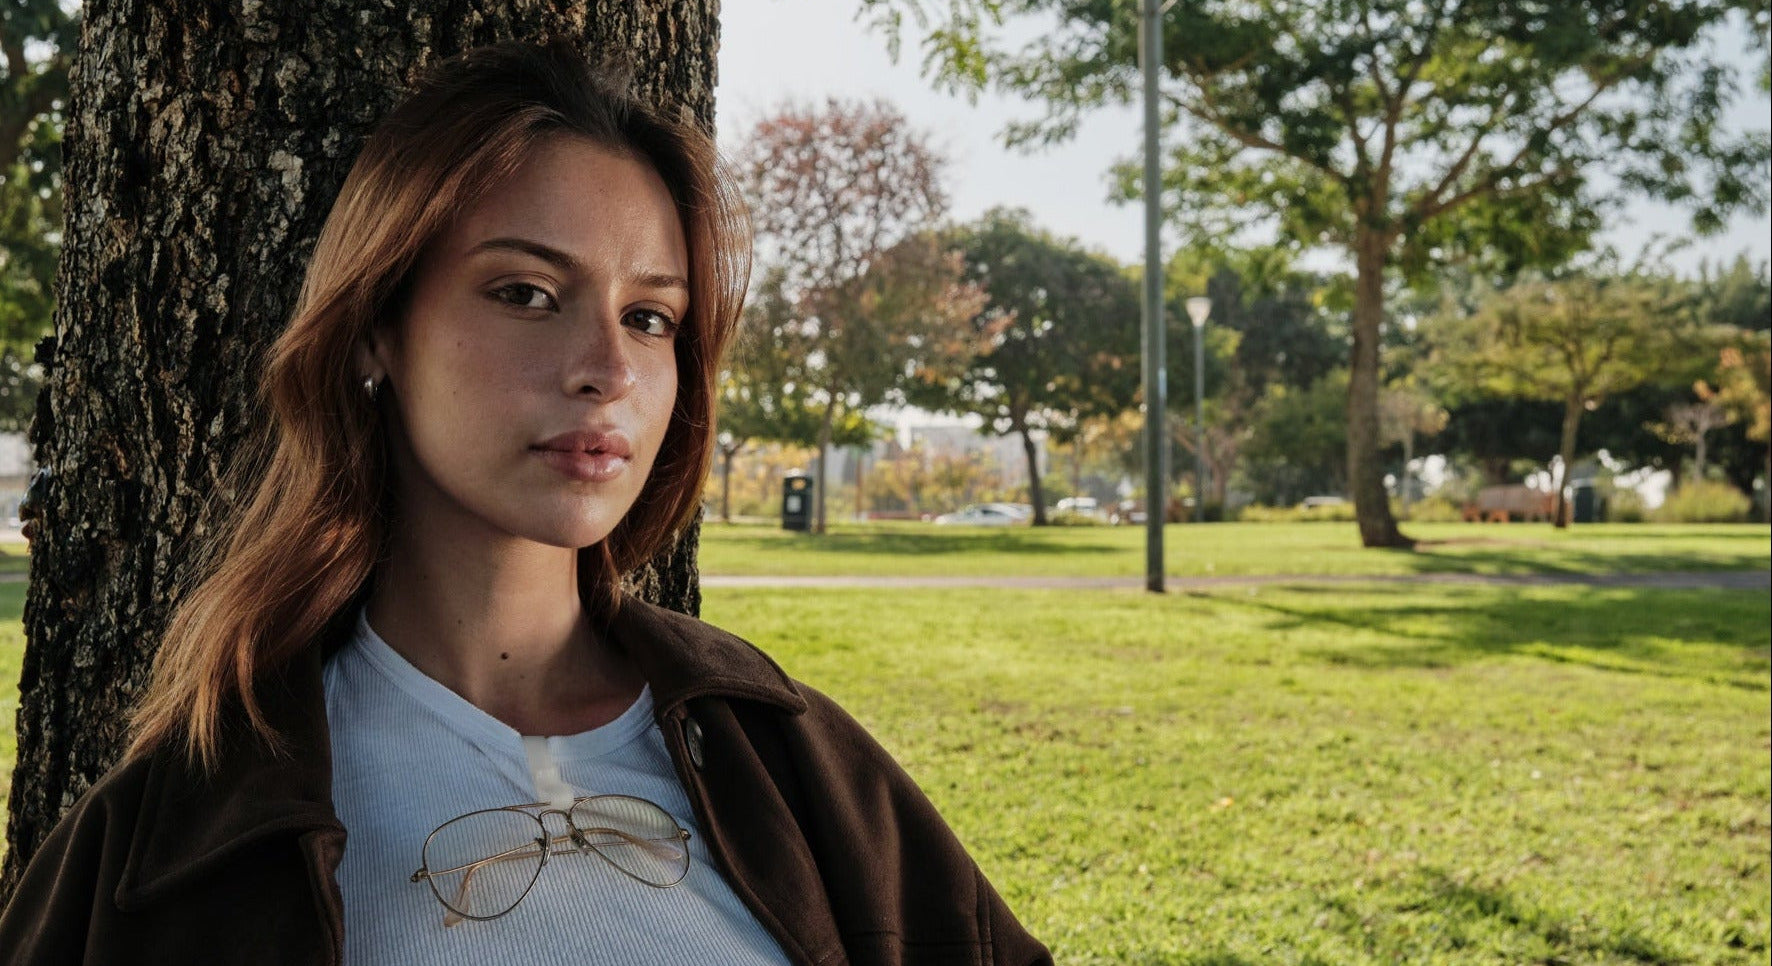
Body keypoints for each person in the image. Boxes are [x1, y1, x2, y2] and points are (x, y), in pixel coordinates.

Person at [0, 40, 1051, 966]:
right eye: (526, 294)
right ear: (376, 329)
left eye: (649, 318)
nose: (607, 370)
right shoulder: (171, 832)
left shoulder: (795, 762)